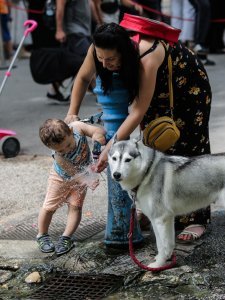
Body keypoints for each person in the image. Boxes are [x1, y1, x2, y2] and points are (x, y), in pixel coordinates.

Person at [64, 21, 212, 245]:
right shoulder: (99, 49)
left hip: (186, 89)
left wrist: (109, 149)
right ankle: (158, 205)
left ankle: (195, 218)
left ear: (124, 51)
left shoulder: (148, 54)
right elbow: (83, 78)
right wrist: (72, 114)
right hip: (153, 90)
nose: (104, 64)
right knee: (153, 147)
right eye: (101, 59)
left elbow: (138, 113)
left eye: (111, 60)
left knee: (189, 150)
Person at [36, 118, 106, 255]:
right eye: (61, 150)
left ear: (71, 132)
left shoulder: (78, 127)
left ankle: (66, 237)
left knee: (75, 206)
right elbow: (75, 174)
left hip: (82, 173)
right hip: (61, 178)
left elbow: (98, 130)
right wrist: (88, 181)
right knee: (49, 207)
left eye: (68, 145)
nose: (66, 150)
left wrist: (97, 135)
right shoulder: (58, 156)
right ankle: (42, 235)